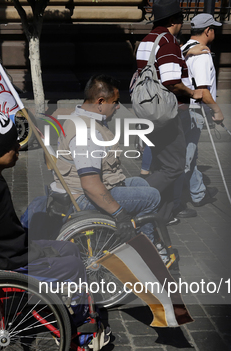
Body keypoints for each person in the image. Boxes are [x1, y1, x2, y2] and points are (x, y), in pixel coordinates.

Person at [0, 110, 88, 318]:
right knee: (74, 266)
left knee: (70, 248)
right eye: (12, 144)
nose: (18, 147)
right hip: (11, 261)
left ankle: (63, 303)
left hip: (16, 246)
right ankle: (79, 324)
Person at [51, 75, 161, 241]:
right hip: (80, 199)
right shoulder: (86, 133)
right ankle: (147, 248)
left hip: (85, 189)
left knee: (141, 183)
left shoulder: (79, 116)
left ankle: (140, 235)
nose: (117, 107)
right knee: (152, 197)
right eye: (115, 102)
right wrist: (120, 214)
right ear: (101, 102)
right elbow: (90, 185)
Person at [135, 0, 204, 224]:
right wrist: (192, 92)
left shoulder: (147, 40)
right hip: (167, 112)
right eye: (181, 20)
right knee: (174, 166)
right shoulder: (168, 42)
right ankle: (135, 200)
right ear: (175, 20)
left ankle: (161, 214)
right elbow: (172, 81)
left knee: (160, 164)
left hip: (149, 110)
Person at [173, 13, 224, 211]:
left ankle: (198, 192)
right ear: (207, 31)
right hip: (192, 111)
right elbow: (202, 92)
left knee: (190, 154)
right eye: (214, 29)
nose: (215, 32)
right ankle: (174, 204)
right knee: (185, 159)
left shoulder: (184, 48)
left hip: (183, 109)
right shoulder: (202, 55)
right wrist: (217, 110)